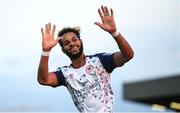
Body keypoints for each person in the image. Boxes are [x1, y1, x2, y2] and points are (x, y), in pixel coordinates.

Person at [37, 5, 134, 112]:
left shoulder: (99, 61)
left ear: (81, 41)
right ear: (63, 50)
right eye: (66, 43)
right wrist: (46, 50)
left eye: (74, 39)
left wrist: (114, 32)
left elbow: (128, 55)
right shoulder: (65, 73)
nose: (72, 44)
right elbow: (43, 79)